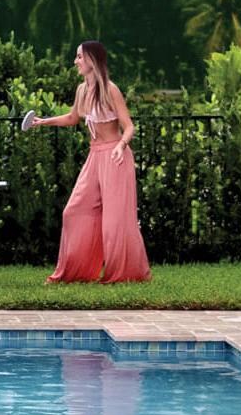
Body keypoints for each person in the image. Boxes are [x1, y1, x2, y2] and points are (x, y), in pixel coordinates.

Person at [28, 41, 151, 283]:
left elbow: (129, 126)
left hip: (115, 158)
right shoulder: (82, 90)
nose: (76, 62)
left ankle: (124, 275)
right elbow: (73, 117)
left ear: (92, 61)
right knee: (73, 212)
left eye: (79, 57)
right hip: (95, 157)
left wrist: (121, 145)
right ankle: (76, 272)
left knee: (114, 223)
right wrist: (44, 121)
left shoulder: (110, 89)